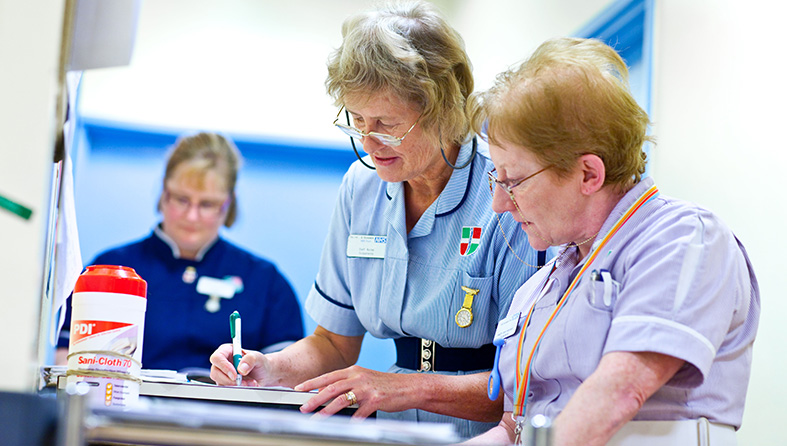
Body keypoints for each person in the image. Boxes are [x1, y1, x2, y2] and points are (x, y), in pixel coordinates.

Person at [209, 1, 548, 438]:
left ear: (444, 110)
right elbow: (334, 342)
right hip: (394, 430)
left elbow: (525, 385)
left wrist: (402, 387)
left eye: (387, 124)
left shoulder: (503, 189)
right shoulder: (361, 188)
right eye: (356, 121)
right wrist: (269, 368)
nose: (369, 143)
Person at [463, 37, 760, 445]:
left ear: (589, 174)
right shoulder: (542, 284)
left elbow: (619, 393)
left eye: (513, 182)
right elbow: (513, 429)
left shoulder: (685, 239)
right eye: (497, 180)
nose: (498, 203)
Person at [57, 132, 304, 373]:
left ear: (228, 205)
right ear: (163, 193)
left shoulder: (266, 283)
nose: (191, 216)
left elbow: (285, 380)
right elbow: (69, 363)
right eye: (182, 199)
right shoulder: (110, 270)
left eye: (207, 204)